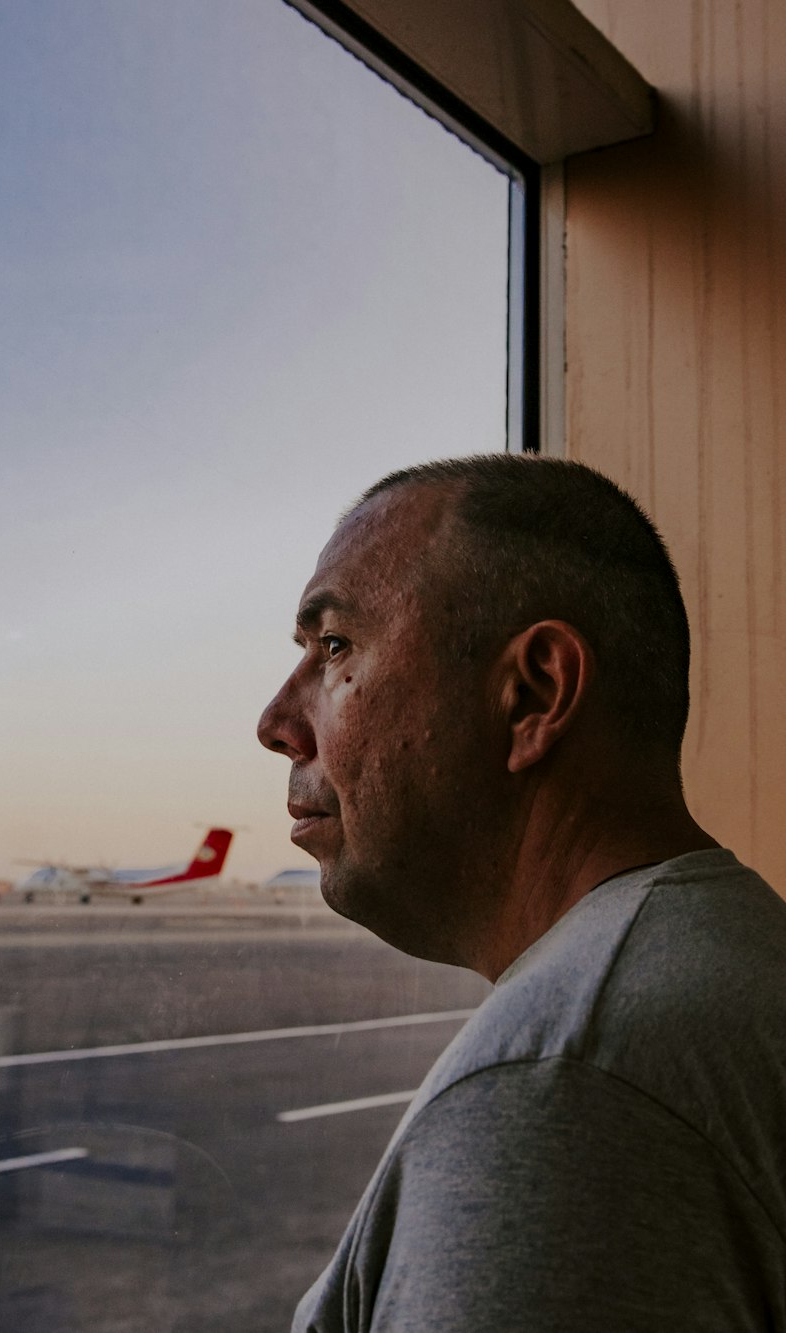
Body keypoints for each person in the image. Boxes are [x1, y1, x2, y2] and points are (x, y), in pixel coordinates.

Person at [257, 455, 786, 1332]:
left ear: (533, 693)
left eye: (335, 647)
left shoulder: (565, 1092)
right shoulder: (715, 956)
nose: (276, 722)